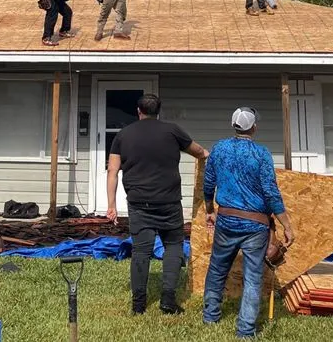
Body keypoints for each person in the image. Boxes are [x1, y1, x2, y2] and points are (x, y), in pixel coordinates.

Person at [106, 94, 209, 315]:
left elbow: (113, 171)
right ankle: (168, 301)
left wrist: (111, 205)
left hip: (139, 203)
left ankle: (139, 304)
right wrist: (208, 155)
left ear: (138, 111)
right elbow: (199, 152)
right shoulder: (173, 131)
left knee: (141, 251)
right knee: (173, 247)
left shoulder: (123, 135)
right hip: (169, 202)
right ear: (158, 111)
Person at [203, 107, 294, 339]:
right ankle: (245, 331)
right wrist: (286, 224)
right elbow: (271, 192)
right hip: (255, 225)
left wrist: (209, 210)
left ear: (233, 125)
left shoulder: (219, 149)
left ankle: (210, 318)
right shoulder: (261, 154)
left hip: (226, 220)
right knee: (253, 278)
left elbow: (208, 184)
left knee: (216, 270)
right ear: (254, 127)